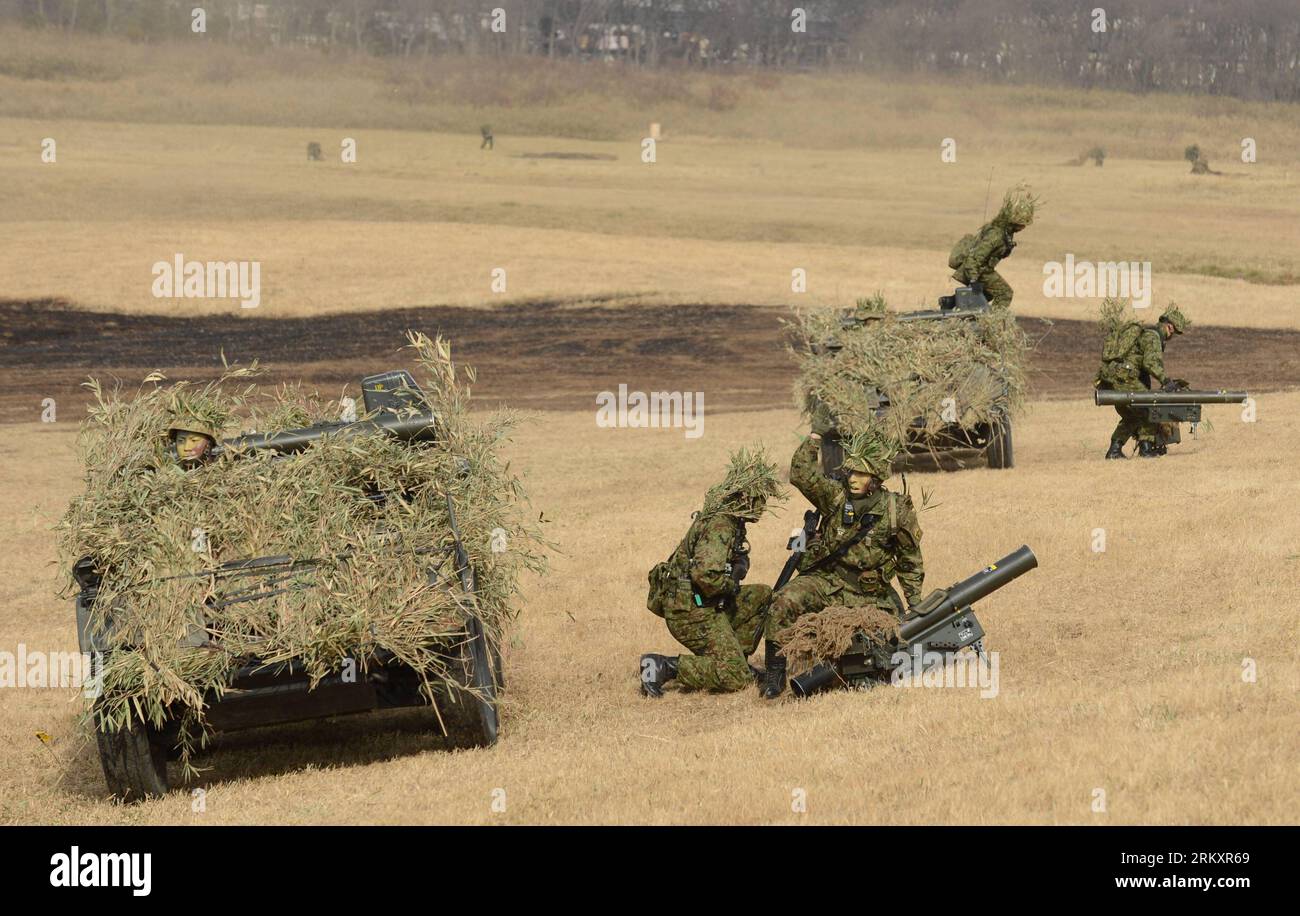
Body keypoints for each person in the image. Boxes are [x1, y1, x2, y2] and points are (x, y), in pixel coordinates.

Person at [761, 428, 924, 699]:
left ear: (876, 477)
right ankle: (773, 675)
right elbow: (801, 474)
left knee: (895, 643)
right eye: (851, 472)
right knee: (781, 603)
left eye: (861, 474)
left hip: (871, 593)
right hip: (829, 581)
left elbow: (910, 559)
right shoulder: (835, 497)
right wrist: (814, 438)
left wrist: (916, 603)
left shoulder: (896, 510)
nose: (853, 479)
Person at [639, 447, 785, 697]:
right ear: (747, 498)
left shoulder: (729, 518)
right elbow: (705, 576)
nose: (763, 506)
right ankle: (663, 666)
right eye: (761, 499)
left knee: (762, 595)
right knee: (736, 677)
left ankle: (733, 657)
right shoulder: (721, 524)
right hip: (691, 611)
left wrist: (737, 567)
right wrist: (732, 583)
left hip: (699, 603)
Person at [1096, 305, 1190, 459]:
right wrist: (1166, 381)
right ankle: (1146, 449)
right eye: (1175, 332)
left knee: (1132, 416)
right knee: (1151, 408)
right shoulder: (1153, 337)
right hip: (1126, 377)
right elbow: (1150, 363)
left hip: (1116, 378)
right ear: (1170, 327)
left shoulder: (1146, 334)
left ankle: (1114, 450)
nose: (1173, 336)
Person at [949, 182, 1040, 310]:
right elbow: (974, 258)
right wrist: (974, 281)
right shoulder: (996, 235)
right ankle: (993, 321)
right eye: (1022, 224)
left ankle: (950, 302)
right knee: (1005, 293)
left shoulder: (1006, 232)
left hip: (981, 269)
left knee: (988, 294)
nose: (1023, 227)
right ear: (1014, 222)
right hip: (977, 270)